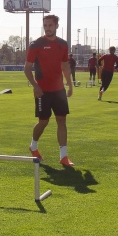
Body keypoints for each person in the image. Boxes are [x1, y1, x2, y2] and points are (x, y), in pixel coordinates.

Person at [24, 14, 74, 167]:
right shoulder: (36, 44)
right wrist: (36, 86)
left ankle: (63, 156)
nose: (47, 28)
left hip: (58, 90)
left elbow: (65, 66)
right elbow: (27, 69)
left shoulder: (63, 44)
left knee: (62, 120)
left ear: (56, 26)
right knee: (43, 121)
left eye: (50, 25)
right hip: (42, 91)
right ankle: (33, 146)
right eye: (45, 25)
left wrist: (70, 85)